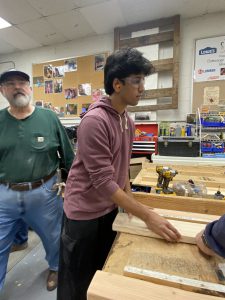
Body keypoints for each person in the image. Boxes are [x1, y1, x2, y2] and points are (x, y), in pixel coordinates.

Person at [57, 48, 181, 300]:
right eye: (136, 81)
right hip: (83, 215)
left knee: (103, 271)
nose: (142, 88)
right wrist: (147, 215)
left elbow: (122, 166)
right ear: (117, 84)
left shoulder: (127, 119)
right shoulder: (95, 121)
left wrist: (130, 202)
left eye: (143, 81)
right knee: (78, 281)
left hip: (109, 208)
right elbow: (103, 181)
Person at [0, 69, 74, 292]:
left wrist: (71, 184)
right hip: (5, 194)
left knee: (53, 237)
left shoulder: (48, 117)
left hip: (44, 192)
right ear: (2, 91)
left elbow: (68, 155)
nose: (17, 87)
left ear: (30, 88)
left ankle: (55, 267)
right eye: (10, 84)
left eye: (22, 82)